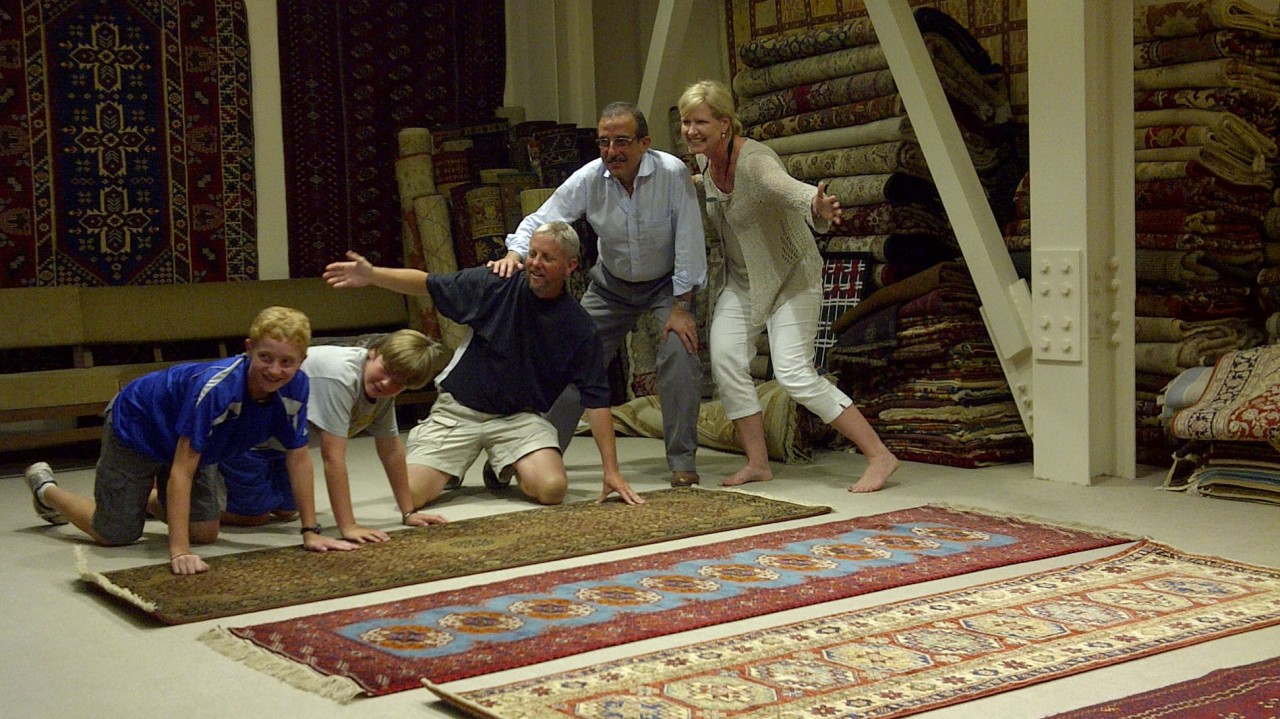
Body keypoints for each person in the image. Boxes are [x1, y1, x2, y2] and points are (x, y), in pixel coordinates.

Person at [677, 79, 900, 493]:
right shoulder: (707, 163)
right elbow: (716, 197)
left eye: (700, 122)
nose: (691, 130)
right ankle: (758, 463)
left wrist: (816, 203)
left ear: (724, 124)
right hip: (742, 282)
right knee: (725, 360)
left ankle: (879, 455)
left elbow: (786, 187)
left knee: (795, 374)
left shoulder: (755, 162)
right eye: (686, 122)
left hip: (791, 278)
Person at [323, 221, 644, 508]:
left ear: (570, 266)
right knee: (407, 494)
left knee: (552, 490)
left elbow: (596, 400)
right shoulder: (497, 283)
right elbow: (428, 283)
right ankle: (449, 468)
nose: (535, 263)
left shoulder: (580, 327)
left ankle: (504, 464)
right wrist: (372, 275)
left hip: (519, 419)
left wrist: (611, 471)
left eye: (548, 258)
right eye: (532, 254)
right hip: (458, 411)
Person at [24, 306, 358, 575]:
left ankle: (146, 498)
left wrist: (310, 531)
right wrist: (179, 551)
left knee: (204, 533)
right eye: (265, 357)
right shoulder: (219, 388)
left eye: (287, 362)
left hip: (193, 444)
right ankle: (46, 491)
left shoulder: (297, 388)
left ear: (302, 361)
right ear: (248, 349)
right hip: (139, 427)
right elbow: (183, 469)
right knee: (116, 534)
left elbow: (298, 458)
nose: (274, 370)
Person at [489, 101, 707, 488]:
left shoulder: (672, 174)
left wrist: (681, 307)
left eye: (622, 141)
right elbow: (542, 218)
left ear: (645, 143)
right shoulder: (591, 177)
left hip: (666, 285)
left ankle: (682, 460)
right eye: (604, 142)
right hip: (611, 286)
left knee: (680, 350)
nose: (611, 151)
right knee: (568, 357)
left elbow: (690, 241)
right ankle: (536, 455)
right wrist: (515, 253)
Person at [216, 330, 450, 540]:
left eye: (399, 383)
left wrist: (408, 512)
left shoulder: (382, 388)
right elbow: (333, 457)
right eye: (386, 371)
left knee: (287, 511)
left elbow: (390, 449)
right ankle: (203, 505)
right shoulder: (340, 376)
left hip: (283, 447)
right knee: (255, 516)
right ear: (374, 353)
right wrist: (348, 526)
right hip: (242, 438)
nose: (387, 383)